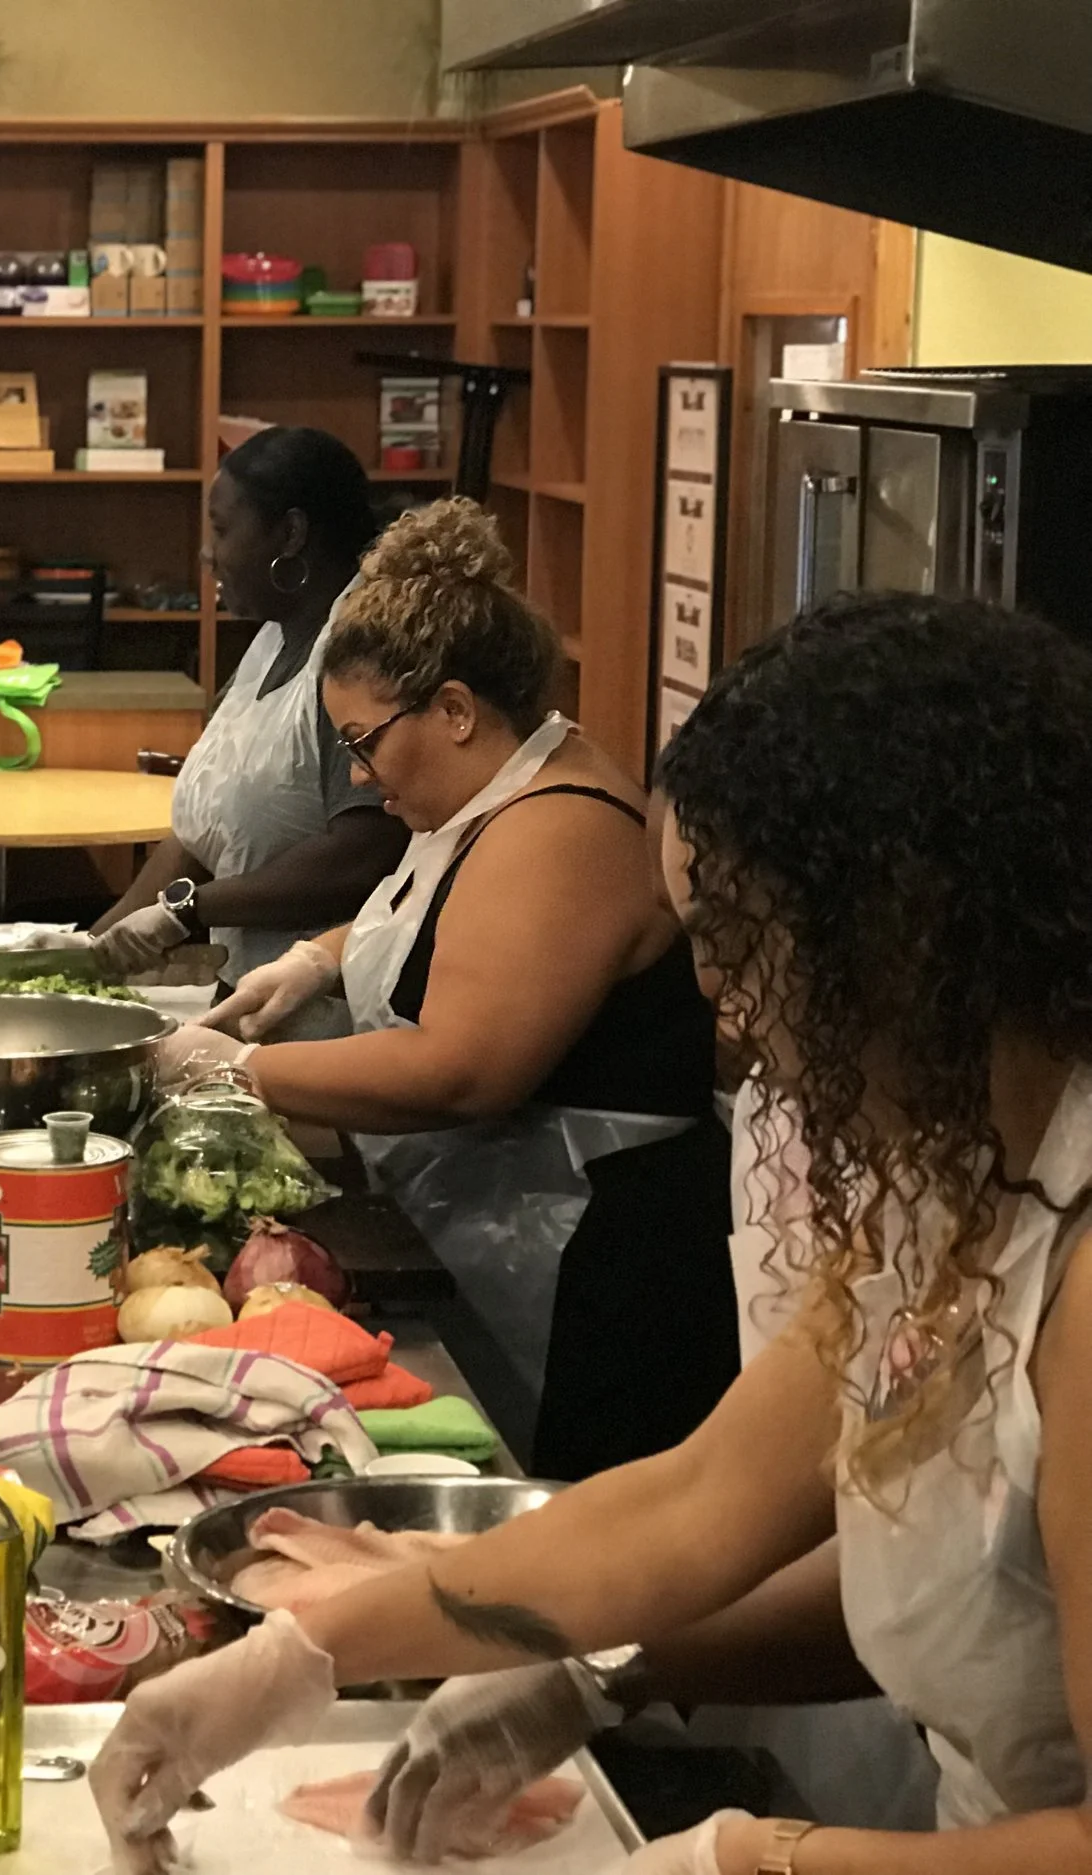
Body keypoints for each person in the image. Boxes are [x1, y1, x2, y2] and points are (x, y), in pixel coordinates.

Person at [94, 592, 1092, 1875]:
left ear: (902, 933)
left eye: (737, 940)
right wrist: (344, 1651)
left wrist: (752, 1858)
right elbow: (694, 1502)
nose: (716, 998)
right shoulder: (946, 1189)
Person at [164, 500, 734, 1478]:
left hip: (600, 1260)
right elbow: (446, 917)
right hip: (505, 1222)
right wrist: (321, 958)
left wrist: (246, 1068)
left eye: (365, 740)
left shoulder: (560, 827)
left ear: (456, 711)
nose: (359, 771)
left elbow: (464, 1070)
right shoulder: (490, 789)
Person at [58, 427, 408, 999]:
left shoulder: (362, 655)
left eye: (222, 530)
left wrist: (188, 910)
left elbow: (362, 855)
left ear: (290, 534)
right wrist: (98, 946)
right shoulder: (269, 640)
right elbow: (203, 831)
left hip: (332, 1011)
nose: (207, 552)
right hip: (244, 993)